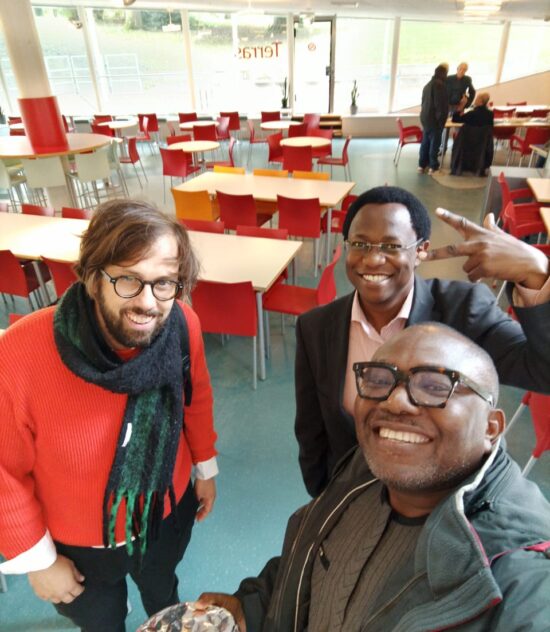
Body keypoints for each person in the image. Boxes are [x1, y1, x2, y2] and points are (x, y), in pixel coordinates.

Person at [196, 324, 550, 631]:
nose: (395, 402)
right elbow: (313, 561)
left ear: (491, 427)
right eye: (379, 381)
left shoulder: (521, 577)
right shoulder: (364, 470)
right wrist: (251, 608)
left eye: (435, 386)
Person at [0, 200, 218, 631]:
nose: (147, 303)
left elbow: (195, 398)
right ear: (91, 276)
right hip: (79, 544)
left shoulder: (181, 324)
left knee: (163, 594)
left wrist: (205, 467)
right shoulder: (20, 354)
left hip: (164, 511)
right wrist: (38, 559)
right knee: (103, 621)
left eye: (164, 282)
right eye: (127, 279)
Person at [294, 185, 550, 497]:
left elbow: (543, 371)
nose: (373, 259)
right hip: (351, 498)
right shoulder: (316, 327)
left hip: (439, 504)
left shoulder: (463, 311)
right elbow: (311, 429)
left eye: (391, 246)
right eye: (360, 244)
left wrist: (537, 273)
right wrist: (323, 495)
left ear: (421, 251)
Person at [450, 92, 494, 175]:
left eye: (476, 99)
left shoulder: (471, 114)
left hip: (467, 142)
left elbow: (455, 119)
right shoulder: (490, 114)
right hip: (482, 144)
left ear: (480, 102)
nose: (475, 100)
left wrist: (462, 105)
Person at [418, 64, 449, 174]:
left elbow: (423, 102)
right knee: (434, 144)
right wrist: (441, 122)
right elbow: (440, 106)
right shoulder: (440, 86)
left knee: (425, 142)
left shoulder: (427, 85)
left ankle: (421, 165)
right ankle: (433, 166)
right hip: (434, 120)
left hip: (425, 118)